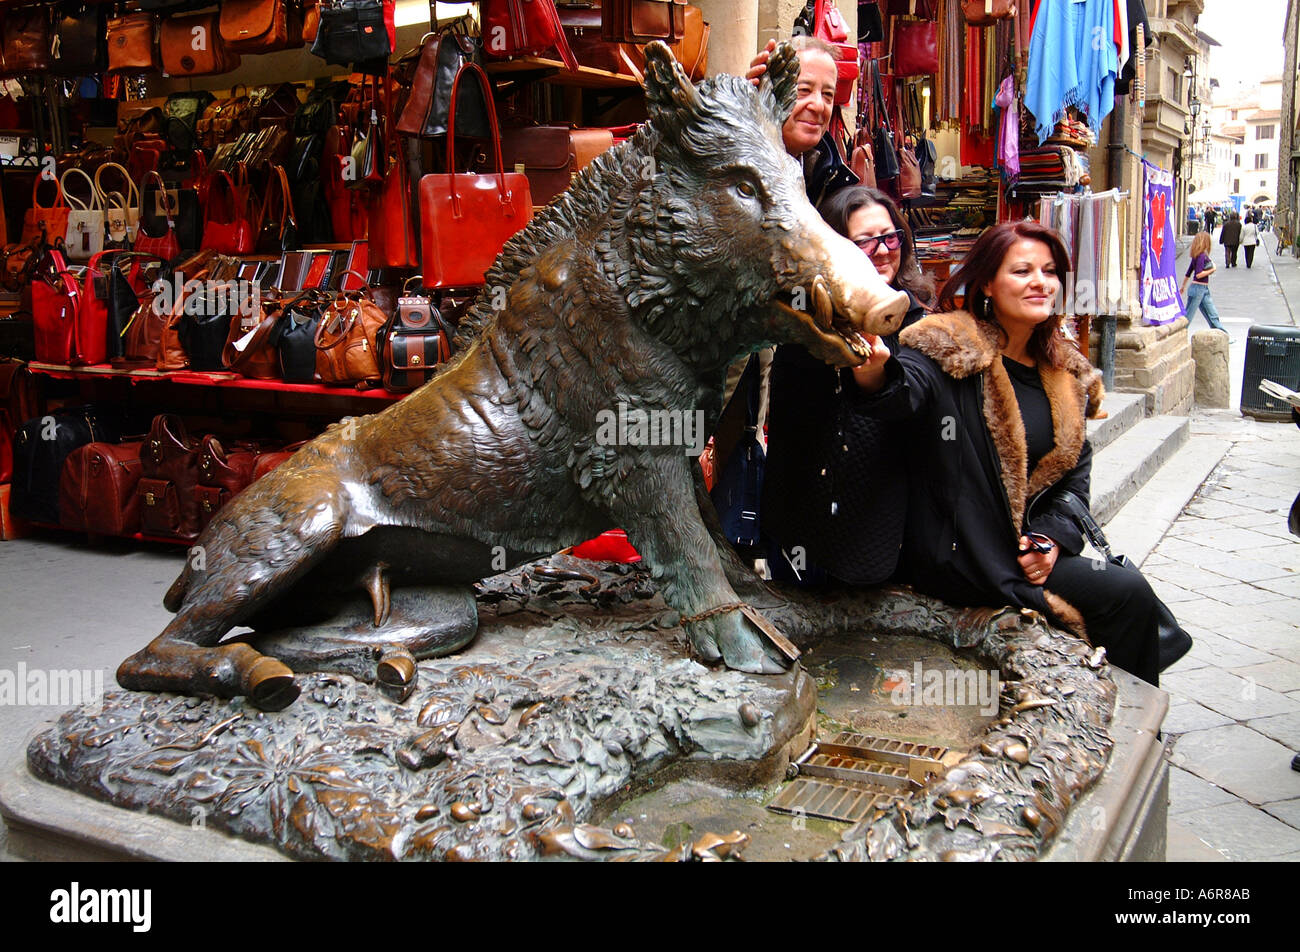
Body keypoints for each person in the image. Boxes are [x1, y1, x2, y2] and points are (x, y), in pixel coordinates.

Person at [849, 221, 1163, 685]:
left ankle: (1122, 719)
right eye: (1022, 271)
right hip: (964, 553)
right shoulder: (949, 344)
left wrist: (1051, 539)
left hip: (1023, 551)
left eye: (1050, 271)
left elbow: (1073, 476)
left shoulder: (1064, 372)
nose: (1040, 282)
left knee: (1128, 597)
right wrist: (876, 372)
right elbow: (905, 390)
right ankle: (1127, 719)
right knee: (1126, 592)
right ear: (988, 284)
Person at [763, 186, 933, 586]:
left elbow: (911, 402)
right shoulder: (801, 323)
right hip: (798, 519)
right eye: (864, 242)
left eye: (890, 237)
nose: (883, 250)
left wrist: (875, 376)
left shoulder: (920, 322)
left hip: (879, 529)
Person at [1180, 231, 1226, 332]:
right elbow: (1198, 274)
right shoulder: (1201, 256)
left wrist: (1183, 286)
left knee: (1211, 313)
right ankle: (1179, 334)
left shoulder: (1196, 256)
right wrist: (1212, 269)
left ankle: (1222, 334)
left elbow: (1188, 273)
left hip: (1201, 289)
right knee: (1189, 315)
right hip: (1199, 288)